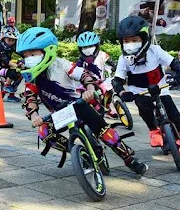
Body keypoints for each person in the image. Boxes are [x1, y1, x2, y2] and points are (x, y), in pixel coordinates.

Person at [17, 27, 148, 175]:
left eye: (33, 54)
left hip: (79, 106)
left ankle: (129, 159)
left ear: (48, 50)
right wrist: (34, 116)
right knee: (44, 132)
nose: (29, 59)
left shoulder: (62, 64)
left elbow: (84, 75)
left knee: (103, 131)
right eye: (26, 55)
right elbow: (29, 97)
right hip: (61, 113)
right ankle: (78, 153)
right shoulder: (31, 76)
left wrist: (90, 89)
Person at [112, 16, 180, 156]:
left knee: (177, 120)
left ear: (144, 39)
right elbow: (117, 80)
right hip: (140, 92)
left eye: (134, 40)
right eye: (126, 41)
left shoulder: (155, 51)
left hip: (161, 89)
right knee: (144, 107)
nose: (130, 44)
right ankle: (153, 130)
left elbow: (174, 63)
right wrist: (122, 93)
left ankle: (174, 137)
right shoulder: (123, 59)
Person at [75, 31, 118, 118]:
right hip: (87, 83)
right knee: (88, 95)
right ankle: (95, 109)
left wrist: (115, 68)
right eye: (84, 47)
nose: (87, 49)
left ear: (97, 46)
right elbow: (76, 70)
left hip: (100, 80)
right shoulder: (81, 60)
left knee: (108, 91)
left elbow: (112, 63)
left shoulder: (102, 55)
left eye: (90, 46)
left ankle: (108, 109)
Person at [0, 25, 22, 103]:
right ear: (3, 39)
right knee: (13, 72)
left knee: (21, 75)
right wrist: (17, 66)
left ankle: (11, 95)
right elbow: (6, 61)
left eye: (13, 40)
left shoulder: (12, 47)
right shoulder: (1, 48)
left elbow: (21, 53)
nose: (11, 42)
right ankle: (7, 85)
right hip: (0, 68)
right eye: (9, 40)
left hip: (8, 67)